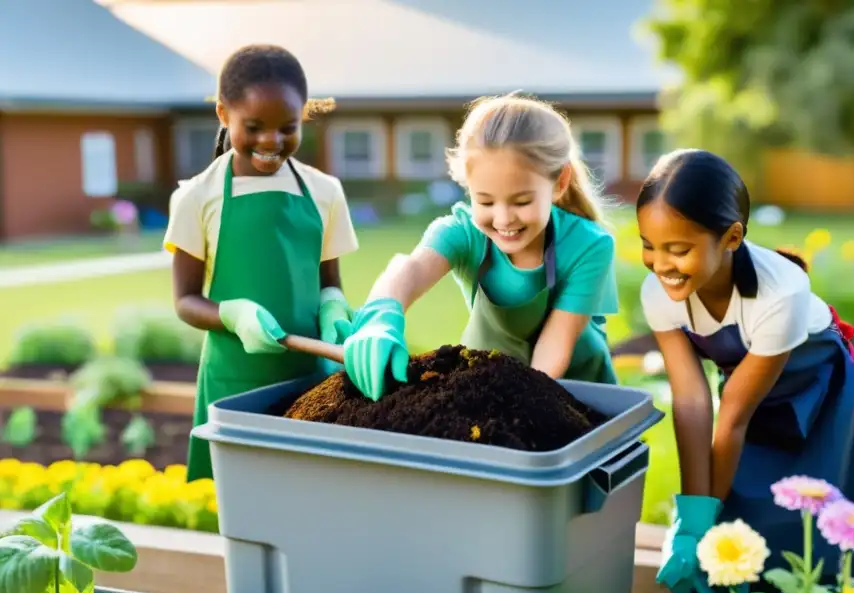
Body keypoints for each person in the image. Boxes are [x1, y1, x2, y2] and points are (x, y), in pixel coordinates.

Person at [640, 149, 854, 593]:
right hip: (748, 384)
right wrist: (692, 516)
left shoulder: (778, 294)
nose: (661, 264)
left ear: (731, 237)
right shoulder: (661, 294)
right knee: (735, 506)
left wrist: (704, 519)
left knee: (806, 510)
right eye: (649, 245)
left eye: (678, 249)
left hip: (815, 383)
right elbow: (691, 402)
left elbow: (732, 418)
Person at [338, 93, 619, 401]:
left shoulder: (588, 244)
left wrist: (524, 405)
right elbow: (412, 268)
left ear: (559, 183)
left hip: (578, 394)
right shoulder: (464, 232)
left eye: (522, 201)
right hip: (493, 383)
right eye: (485, 200)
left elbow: (556, 343)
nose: (503, 219)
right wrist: (382, 314)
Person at [166, 44, 359, 481]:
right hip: (235, 383)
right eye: (252, 127)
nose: (271, 141)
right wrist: (233, 314)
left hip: (312, 383)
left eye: (286, 128)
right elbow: (185, 301)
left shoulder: (325, 192)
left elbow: (330, 282)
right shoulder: (196, 197)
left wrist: (333, 307)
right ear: (222, 114)